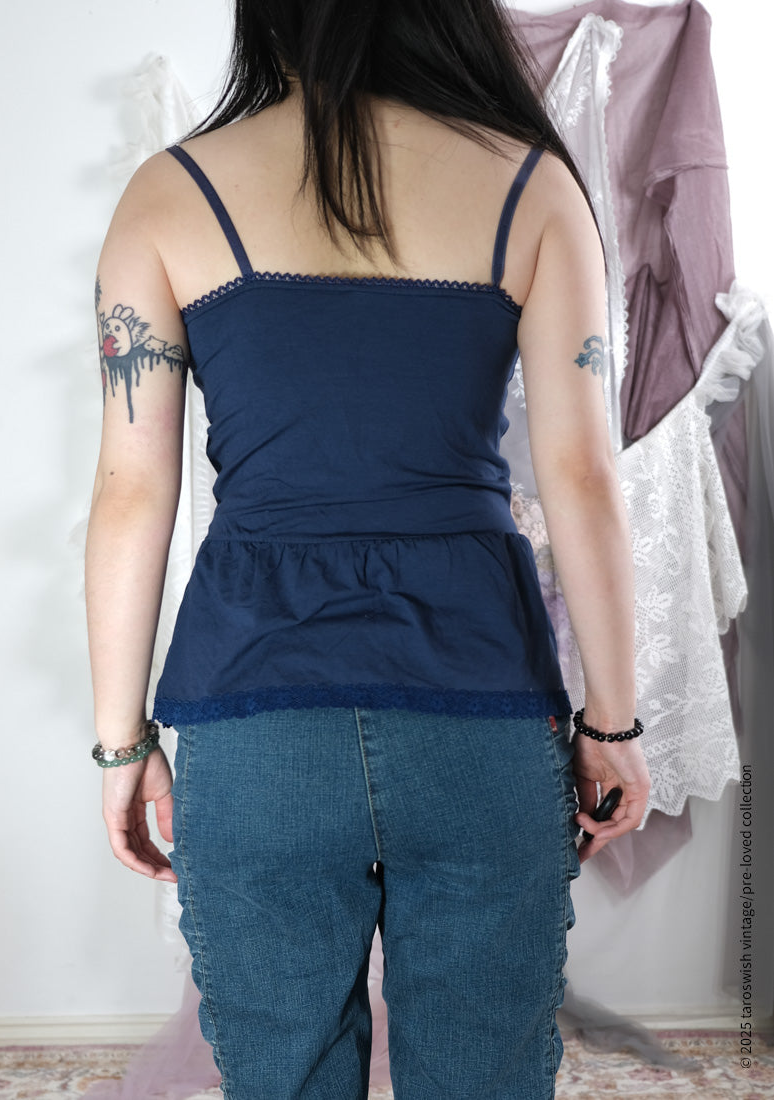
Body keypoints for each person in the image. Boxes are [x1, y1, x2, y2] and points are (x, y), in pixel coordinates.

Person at [85, 1, 651, 1096]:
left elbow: (131, 490)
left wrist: (121, 745)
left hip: (255, 716)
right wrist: (612, 724)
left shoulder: (170, 192)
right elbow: (582, 475)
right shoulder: (534, 186)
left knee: (284, 1074)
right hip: (480, 705)